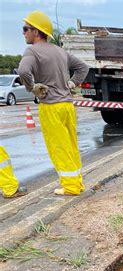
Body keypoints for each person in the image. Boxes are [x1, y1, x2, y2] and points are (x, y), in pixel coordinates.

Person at [18, 11, 89, 196]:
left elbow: (23, 70)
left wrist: (32, 87)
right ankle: (77, 183)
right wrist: (72, 83)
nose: (23, 32)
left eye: (26, 29)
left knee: (59, 147)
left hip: (50, 106)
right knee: (71, 145)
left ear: (37, 32)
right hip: (67, 105)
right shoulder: (60, 51)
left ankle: (70, 187)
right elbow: (83, 67)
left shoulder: (32, 51)